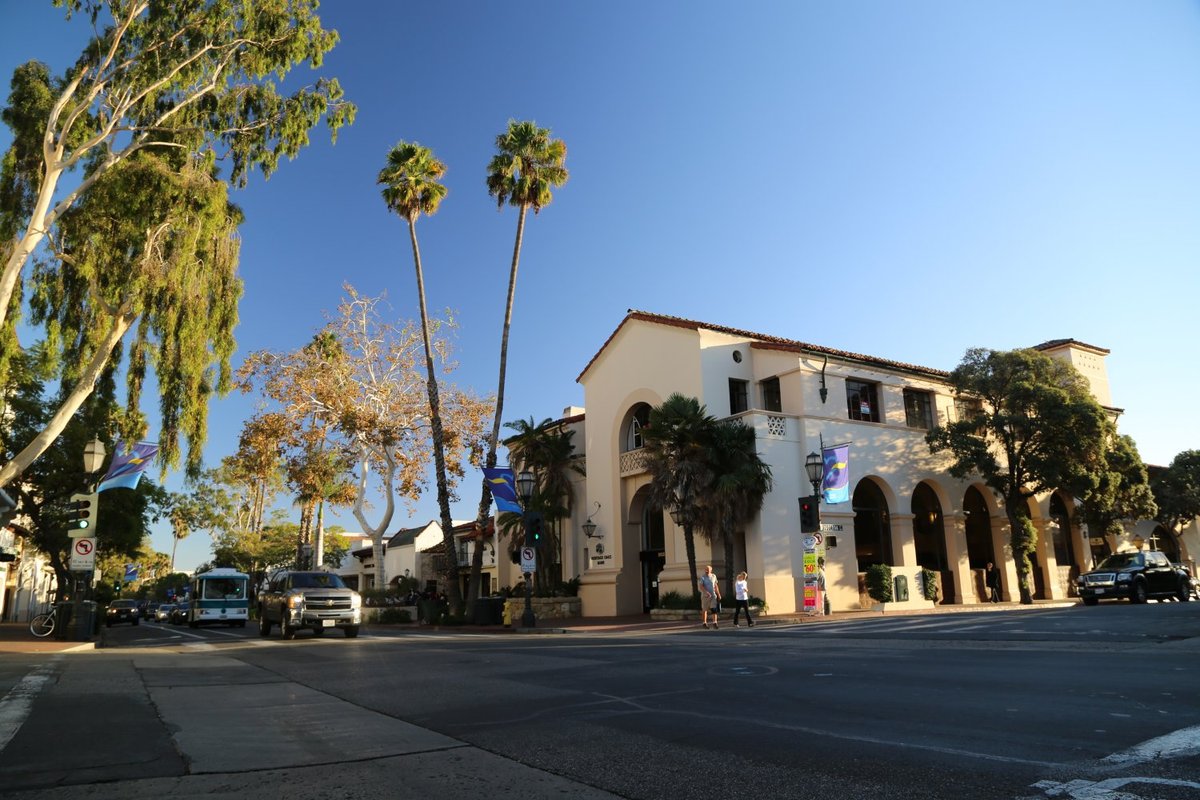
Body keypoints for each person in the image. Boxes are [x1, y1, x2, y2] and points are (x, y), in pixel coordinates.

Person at [699, 565, 721, 629]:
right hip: (705, 596)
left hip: (713, 595)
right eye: (705, 569)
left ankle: (715, 623)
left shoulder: (714, 576)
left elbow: (716, 585)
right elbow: (701, 586)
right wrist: (706, 592)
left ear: (711, 570)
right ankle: (704, 623)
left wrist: (718, 594)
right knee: (705, 609)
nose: (706, 570)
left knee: (714, 609)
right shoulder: (703, 577)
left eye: (708, 569)